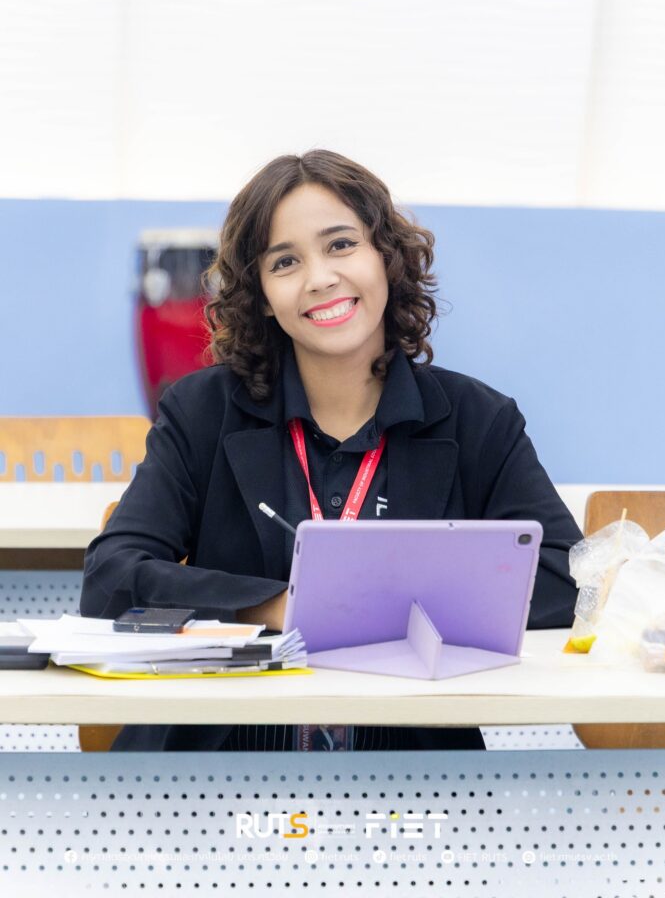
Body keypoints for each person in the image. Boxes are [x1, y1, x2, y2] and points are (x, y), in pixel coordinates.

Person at [80, 149, 581, 752]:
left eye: (341, 245)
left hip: (413, 776)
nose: (319, 277)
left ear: (386, 257)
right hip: (219, 768)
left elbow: (567, 578)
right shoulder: (202, 412)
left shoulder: (478, 420)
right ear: (262, 295)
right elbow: (110, 580)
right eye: (285, 261)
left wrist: (383, 610)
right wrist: (280, 605)